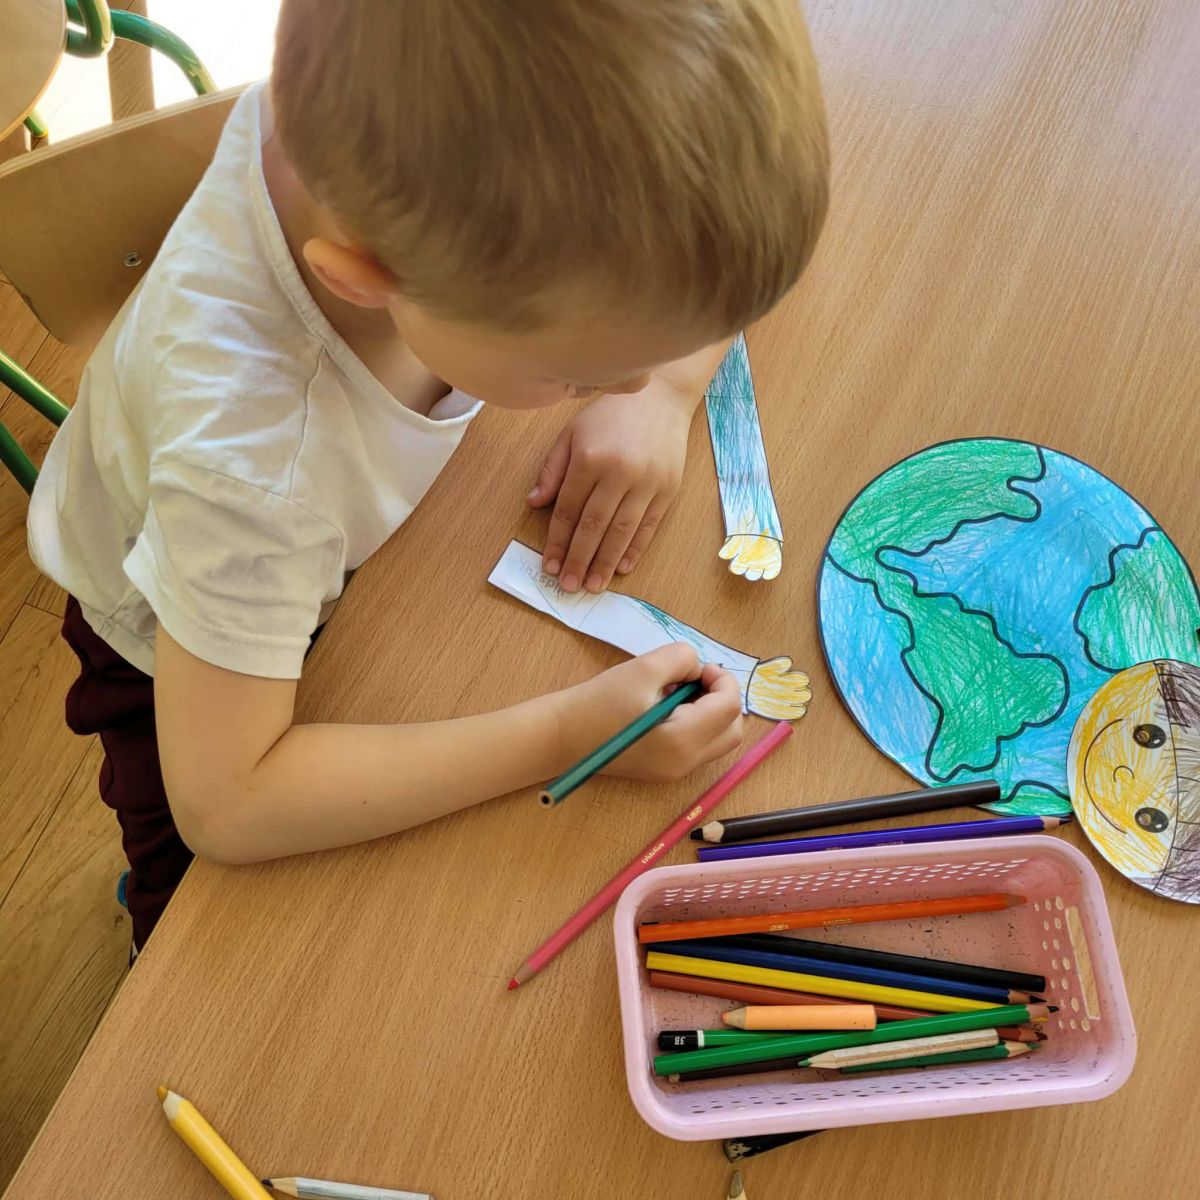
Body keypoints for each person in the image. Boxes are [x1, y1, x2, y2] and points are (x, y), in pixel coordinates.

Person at [28, 0, 829, 951]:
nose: (620, 384)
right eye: (581, 375)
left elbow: (699, 214)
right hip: (173, 654)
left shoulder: (391, 124)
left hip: (314, 561)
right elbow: (229, 805)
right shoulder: (255, 472)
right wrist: (564, 736)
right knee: (201, 941)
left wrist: (665, 392)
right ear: (365, 277)